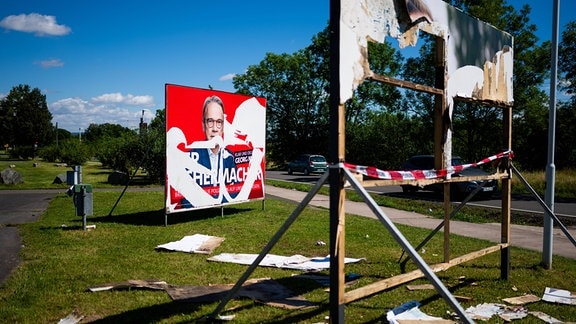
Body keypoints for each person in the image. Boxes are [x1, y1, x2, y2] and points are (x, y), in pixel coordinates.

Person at [180, 95, 238, 207]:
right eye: (210, 121)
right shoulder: (191, 157)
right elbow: (185, 201)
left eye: (219, 122)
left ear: (223, 127)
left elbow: (235, 192)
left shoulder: (229, 157)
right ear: (203, 125)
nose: (215, 128)